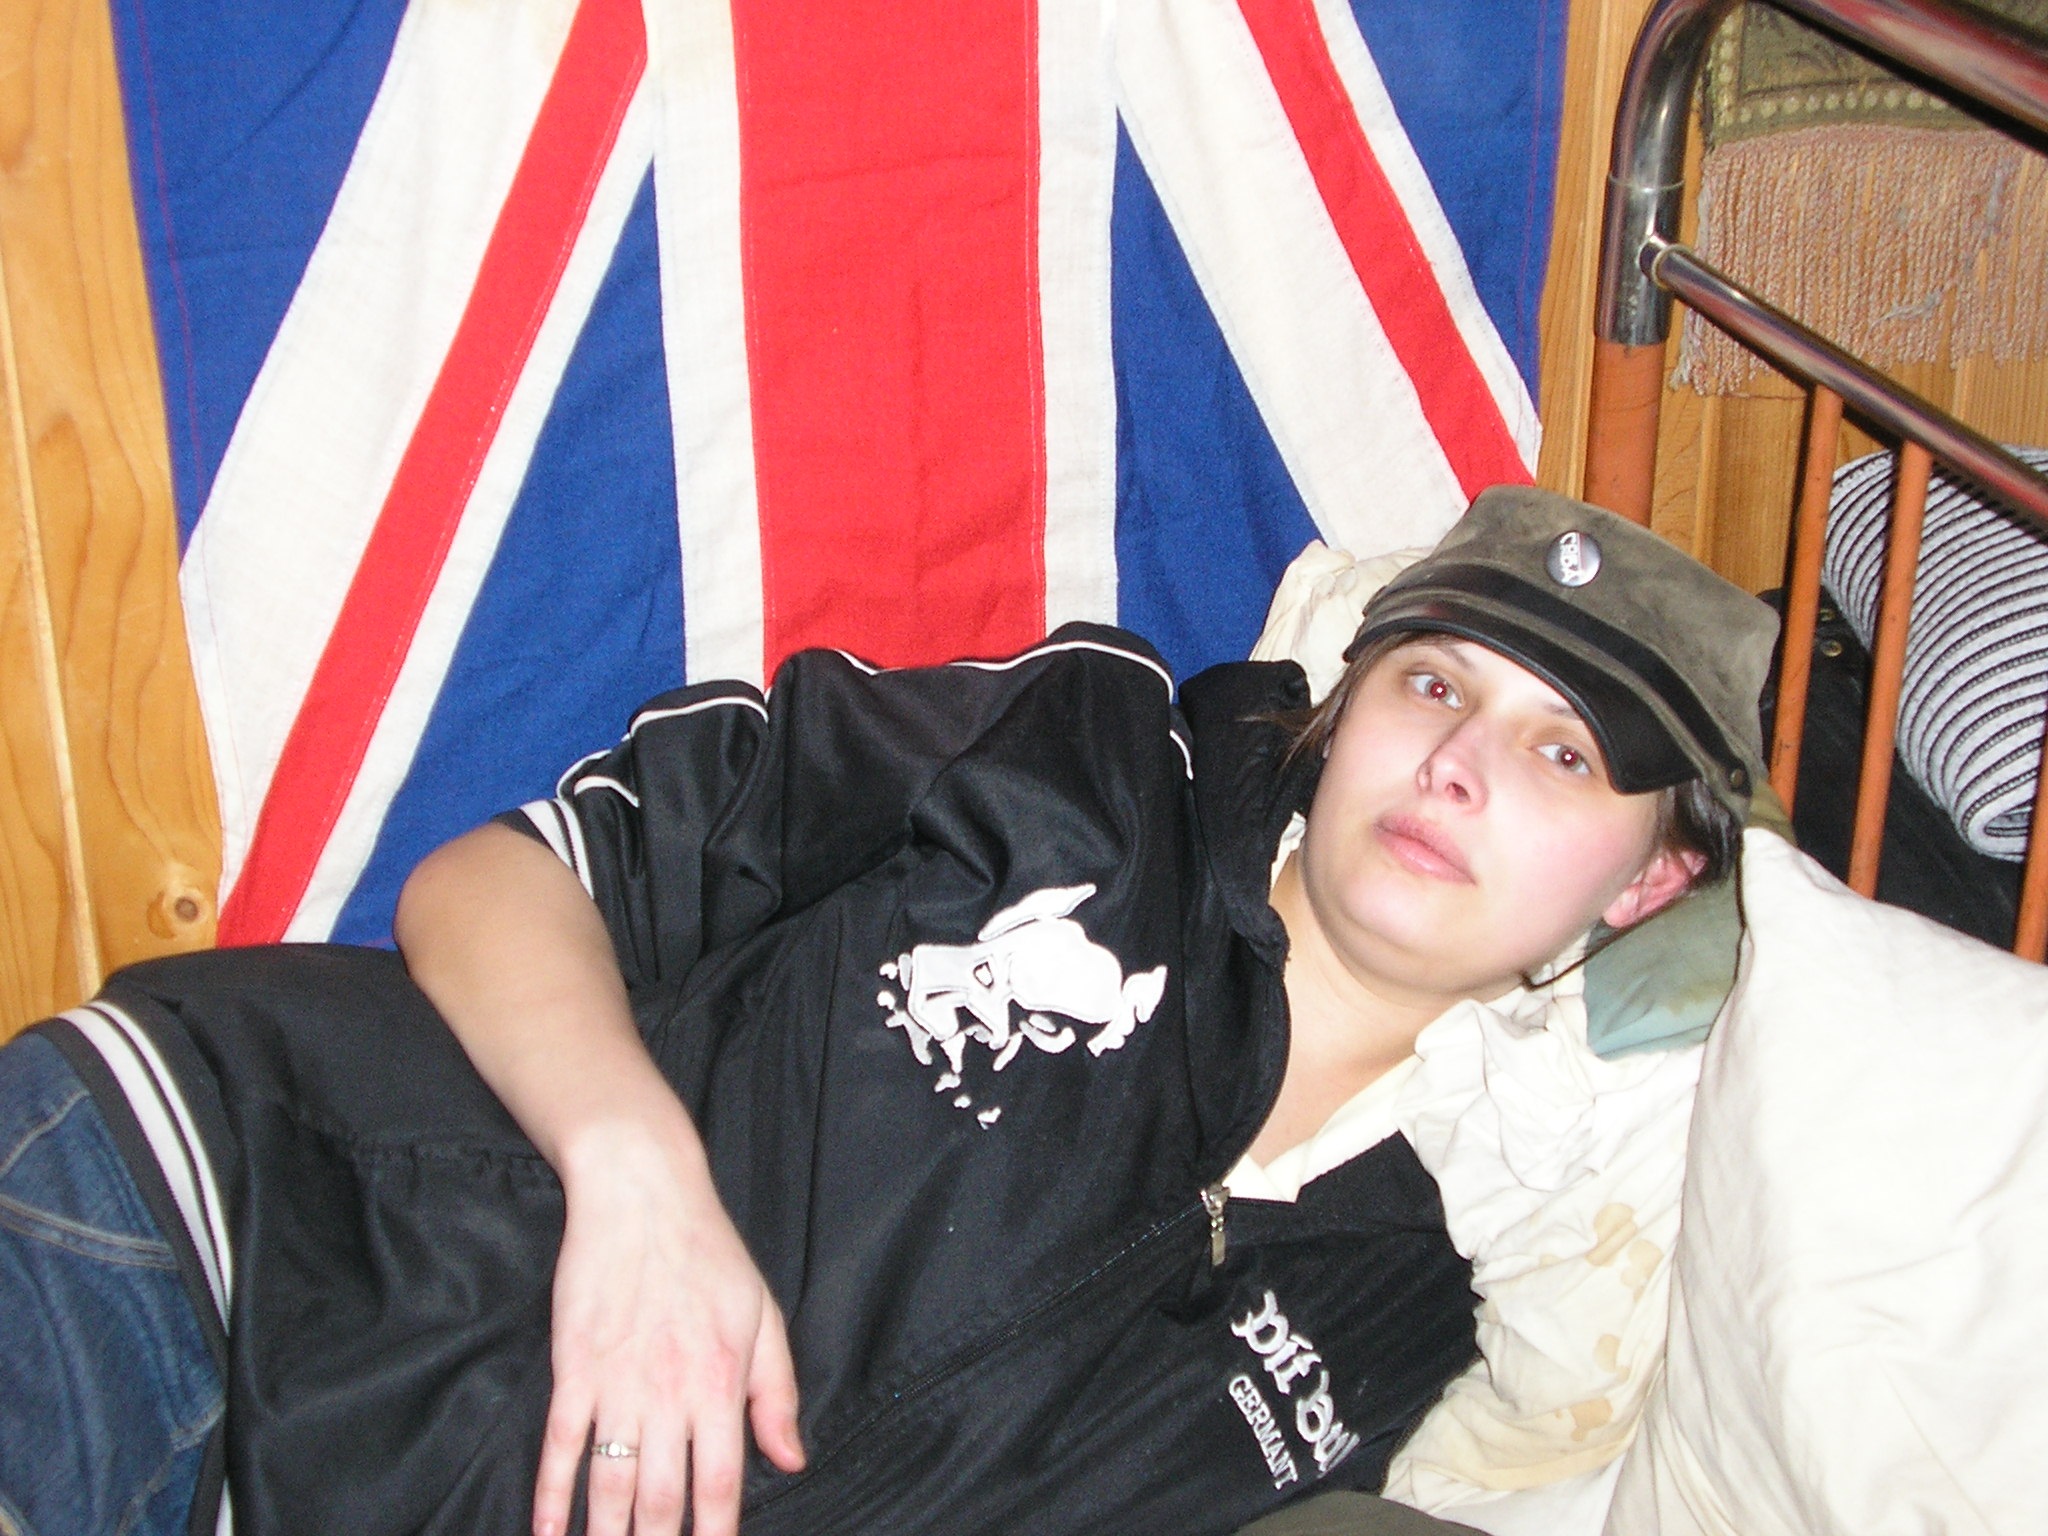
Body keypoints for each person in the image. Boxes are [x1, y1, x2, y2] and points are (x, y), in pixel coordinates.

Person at [0, 487, 1775, 1536]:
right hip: (236, 1235)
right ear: (1341, 705)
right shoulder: (1092, 762)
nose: (1459, 764)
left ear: (1650, 885)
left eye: (1564, 754)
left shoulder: (1432, 1285)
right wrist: (639, 1178)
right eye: (1433, 681)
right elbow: (487, 882)